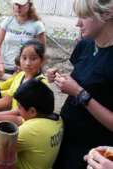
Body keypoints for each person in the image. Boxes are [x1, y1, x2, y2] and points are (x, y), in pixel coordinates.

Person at [46, 0, 113, 168]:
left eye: (84, 16)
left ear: (107, 13)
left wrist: (79, 93)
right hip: (65, 134)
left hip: (92, 151)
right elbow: (88, 79)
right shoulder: (85, 44)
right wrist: (60, 78)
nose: (77, 23)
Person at [0, 79, 63, 169]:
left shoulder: (31, 131)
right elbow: (17, 116)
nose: (17, 109)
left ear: (32, 111)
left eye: (19, 106)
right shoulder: (55, 119)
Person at [0, 40, 47, 123]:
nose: (27, 63)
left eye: (33, 58)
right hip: (12, 119)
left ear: (42, 61)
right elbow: (7, 100)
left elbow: (21, 117)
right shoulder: (20, 75)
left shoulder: (40, 84)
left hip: (26, 128)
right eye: (24, 58)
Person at [0, 0, 46, 77]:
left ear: (29, 5)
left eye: (21, 5)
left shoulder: (37, 25)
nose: (18, 7)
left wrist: (27, 66)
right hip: (6, 68)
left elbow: (42, 51)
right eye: (16, 4)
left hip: (27, 70)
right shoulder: (8, 21)